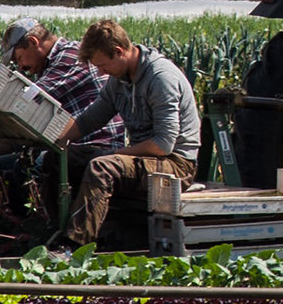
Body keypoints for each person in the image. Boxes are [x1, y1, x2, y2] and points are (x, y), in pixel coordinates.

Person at [55, 19, 200, 247]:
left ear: (118, 51)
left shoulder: (161, 78)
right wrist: (56, 141)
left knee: (102, 166)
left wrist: (116, 153)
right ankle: (54, 230)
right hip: (141, 159)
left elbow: (163, 145)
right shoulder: (118, 81)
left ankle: (75, 246)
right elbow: (88, 121)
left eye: (103, 66)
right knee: (61, 159)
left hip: (175, 164)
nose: (101, 72)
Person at [0, 21, 125, 217]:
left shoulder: (70, 57)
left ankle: (47, 229)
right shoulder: (50, 66)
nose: (21, 66)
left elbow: (25, 106)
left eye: (19, 58)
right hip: (69, 143)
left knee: (30, 168)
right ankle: (20, 226)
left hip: (94, 144)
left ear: (33, 42)